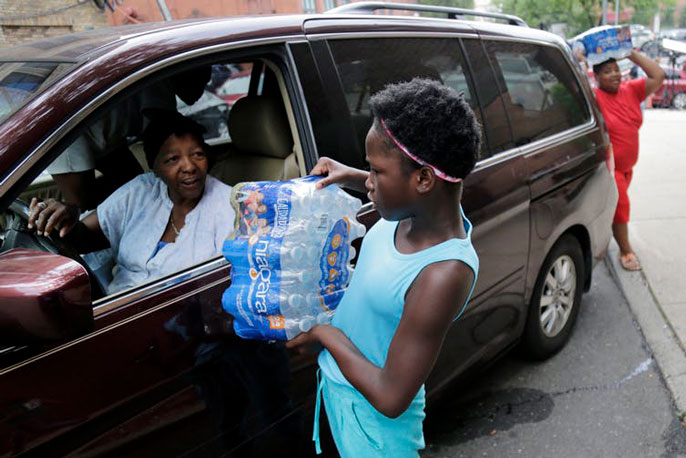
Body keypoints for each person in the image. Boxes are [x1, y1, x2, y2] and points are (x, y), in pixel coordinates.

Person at [286, 78, 480, 457]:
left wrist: (325, 335)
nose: (370, 183)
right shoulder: (415, 212)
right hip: (339, 393)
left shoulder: (442, 273)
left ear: (423, 178)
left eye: (375, 171)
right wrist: (353, 176)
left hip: (375, 434)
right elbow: (403, 189)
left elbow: (391, 397)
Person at [27, 109, 235, 294]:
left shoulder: (230, 208)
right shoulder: (141, 191)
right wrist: (67, 217)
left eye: (197, 154)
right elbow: (84, 238)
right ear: (154, 167)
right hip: (118, 308)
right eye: (173, 159)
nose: (189, 166)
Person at [47, 66, 212, 212]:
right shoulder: (158, 80)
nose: (201, 91)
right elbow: (163, 132)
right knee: (79, 207)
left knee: (134, 186)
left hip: (106, 137)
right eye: (202, 81)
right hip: (69, 131)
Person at [592, 51, 665, 271]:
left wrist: (631, 54)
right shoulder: (594, 96)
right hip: (609, 168)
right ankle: (625, 251)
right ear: (596, 77)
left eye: (616, 69)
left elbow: (658, 75)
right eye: (607, 71)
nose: (614, 74)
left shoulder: (631, 90)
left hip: (627, 169)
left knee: (612, 209)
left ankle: (600, 242)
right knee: (622, 207)